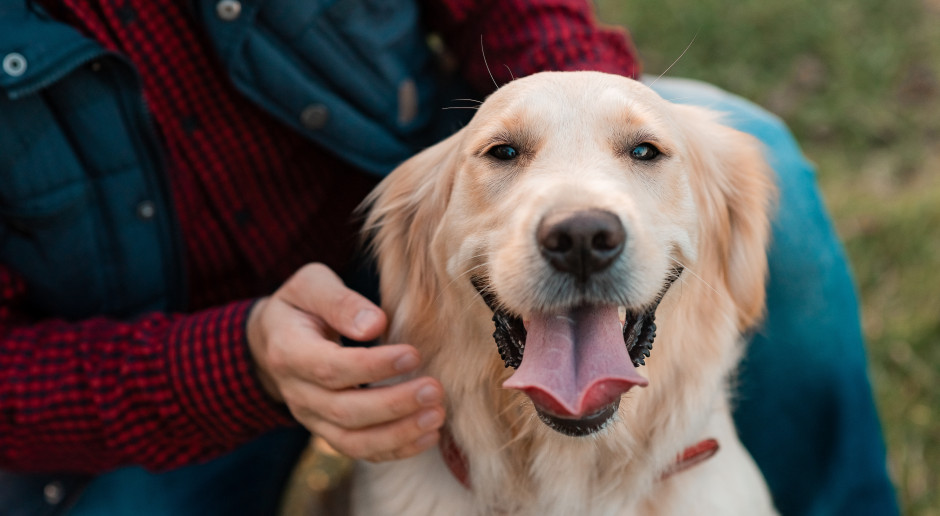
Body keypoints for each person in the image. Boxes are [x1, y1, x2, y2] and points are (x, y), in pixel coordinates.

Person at [0, 0, 897, 515]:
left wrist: (579, 105)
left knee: (757, 147)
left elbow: (518, 9)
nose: (583, 224)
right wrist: (230, 367)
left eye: (644, 157)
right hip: (155, 346)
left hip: (409, 206)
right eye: (505, 151)